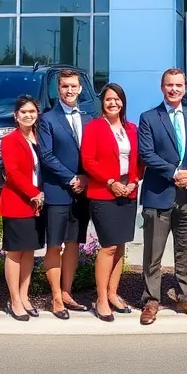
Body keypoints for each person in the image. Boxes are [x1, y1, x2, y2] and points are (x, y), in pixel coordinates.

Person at [136, 67, 187, 326]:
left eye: (178, 85)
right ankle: (151, 301)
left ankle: (186, 297)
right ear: (162, 87)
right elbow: (147, 154)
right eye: (169, 85)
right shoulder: (149, 117)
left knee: (185, 252)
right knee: (153, 254)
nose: (174, 89)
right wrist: (175, 173)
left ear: (185, 87)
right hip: (159, 194)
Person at [80, 83, 141, 322]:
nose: (113, 103)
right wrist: (110, 181)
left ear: (123, 102)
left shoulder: (132, 128)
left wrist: (135, 180)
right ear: (102, 103)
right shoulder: (94, 127)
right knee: (108, 247)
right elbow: (88, 160)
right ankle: (101, 298)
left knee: (121, 246)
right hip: (104, 193)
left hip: (128, 192)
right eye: (108, 100)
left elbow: (139, 160)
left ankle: (114, 294)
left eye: (117, 99)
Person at [36, 68, 92, 319]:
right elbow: (46, 155)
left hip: (83, 192)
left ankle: (68, 292)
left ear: (80, 89)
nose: (69, 91)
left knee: (73, 245)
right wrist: (71, 179)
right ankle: (56, 298)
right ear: (58, 89)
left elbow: (93, 155)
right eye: (64, 87)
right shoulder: (47, 119)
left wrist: (86, 178)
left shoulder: (89, 118)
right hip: (58, 191)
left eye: (73, 86)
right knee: (55, 245)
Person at [0, 94, 46, 321]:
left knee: (29, 251)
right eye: (24, 112)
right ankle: (14, 300)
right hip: (18, 202)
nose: (28, 115)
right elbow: (13, 173)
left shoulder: (40, 138)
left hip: (37, 205)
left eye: (32, 111)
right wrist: (33, 193)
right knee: (15, 252)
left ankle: (25, 296)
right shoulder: (9, 140)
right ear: (16, 116)